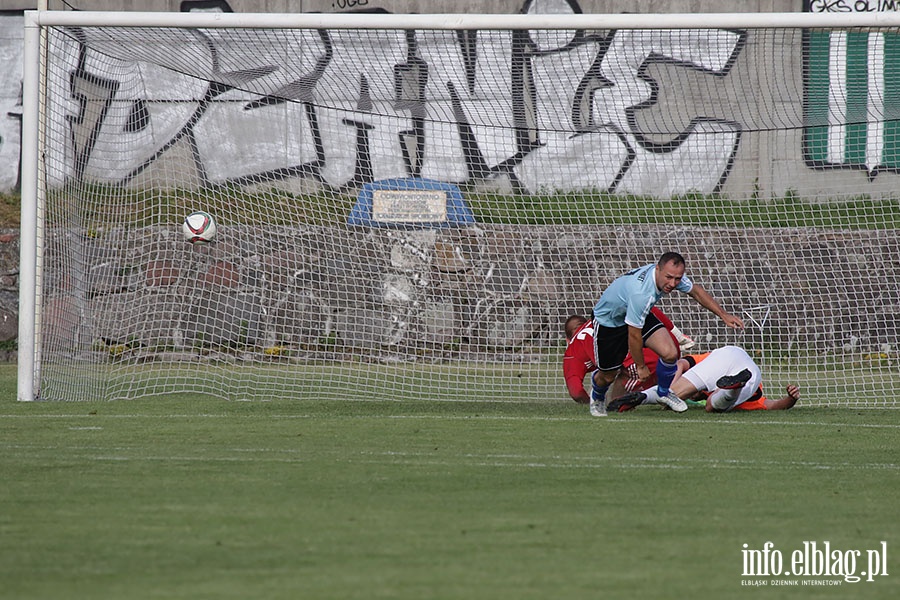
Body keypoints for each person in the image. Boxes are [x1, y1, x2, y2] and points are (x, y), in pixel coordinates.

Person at [590, 251, 744, 415]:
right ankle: (597, 396)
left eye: (677, 278)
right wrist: (640, 366)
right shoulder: (641, 294)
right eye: (669, 277)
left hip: (636, 313)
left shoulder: (670, 276)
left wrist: (723, 314)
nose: (672, 283)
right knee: (607, 376)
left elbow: (696, 291)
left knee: (670, 353)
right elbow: (633, 335)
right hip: (609, 322)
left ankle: (663, 393)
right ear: (657, 269)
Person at [563, 308, 693, 416]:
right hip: (667, 344)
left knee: (617, 399)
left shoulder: (571, 352)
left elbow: (576, 391)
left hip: (643, 357)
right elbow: (649, 308)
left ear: (567, 340)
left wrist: (590, 403)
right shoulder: (603, 317)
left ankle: (617, 407)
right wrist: (677, 333)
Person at [613, 345, 799, 412]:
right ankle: (640, 398)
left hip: (746, 371)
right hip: (732, 354)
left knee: (710, 404)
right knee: (710, 402)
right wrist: (790, 399)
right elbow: (774, 405)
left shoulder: (705, 362)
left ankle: (733, 387)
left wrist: (790, 400)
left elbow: (681, 364)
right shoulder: (708, 369)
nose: (691, 397)